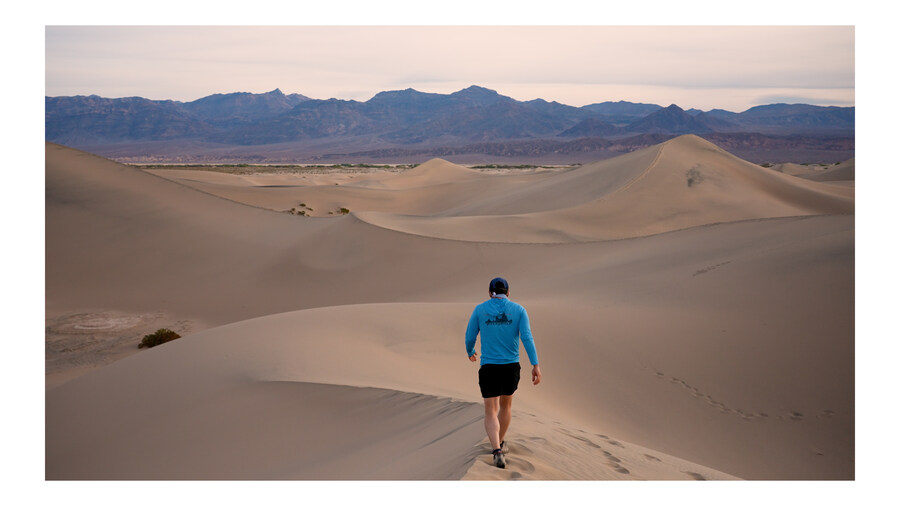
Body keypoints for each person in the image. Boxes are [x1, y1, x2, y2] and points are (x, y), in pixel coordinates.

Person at [465, 277, 541, 469]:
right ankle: (499, 443)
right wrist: (535, 364)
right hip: (511, 367)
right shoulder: (519, 310)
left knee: (491, 409)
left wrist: (470, 350)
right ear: (508, 292)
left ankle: (496, 449)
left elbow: (470, 335)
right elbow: (526, 337)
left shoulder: (480, 309)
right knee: (506, 406)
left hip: (489, 366)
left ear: (490, 292)